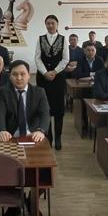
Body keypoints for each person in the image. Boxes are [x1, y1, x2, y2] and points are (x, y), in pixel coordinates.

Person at [0, 60, 51, 216]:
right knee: (7, 168)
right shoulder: (4, 92)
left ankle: (32, 200)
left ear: (29, 75)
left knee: (45, 171)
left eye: (22, 74)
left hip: (33, 138)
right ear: (9, 76)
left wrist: (41, 130)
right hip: (12, 139)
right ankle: (14, 205)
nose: (19, 78)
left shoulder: (39, 92)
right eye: (15, 74)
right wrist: (1, 130)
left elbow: (45, 114)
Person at [34, 14, 69, 149]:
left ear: (57, 24)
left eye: (52, 23)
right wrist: (45, 72)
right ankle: (48, 137)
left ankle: (58, 138)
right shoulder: (40, 39)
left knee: (59, 108)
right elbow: (37, 58)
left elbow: (65, 59)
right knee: (44, 108)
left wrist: (54, 71)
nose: (50, 25)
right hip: (43, 78)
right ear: (45, 25)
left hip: (58, 77)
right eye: (48, 23)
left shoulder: (63, 39)